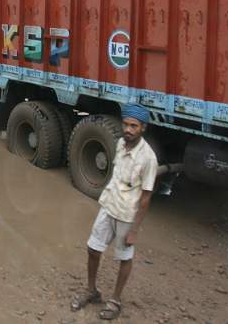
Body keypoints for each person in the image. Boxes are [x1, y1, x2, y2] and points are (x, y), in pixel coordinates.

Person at [70, 103, 158, 320]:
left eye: (134, 126)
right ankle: (91, 291)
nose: (128, 129)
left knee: (124, 258)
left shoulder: (148, 158)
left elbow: (146, 197)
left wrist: (135, 230)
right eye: (126, 124)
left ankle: (115, 300)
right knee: (92, 248)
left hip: (127, 215)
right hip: (108, 206)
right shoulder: (120, 144)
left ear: (143, 128)